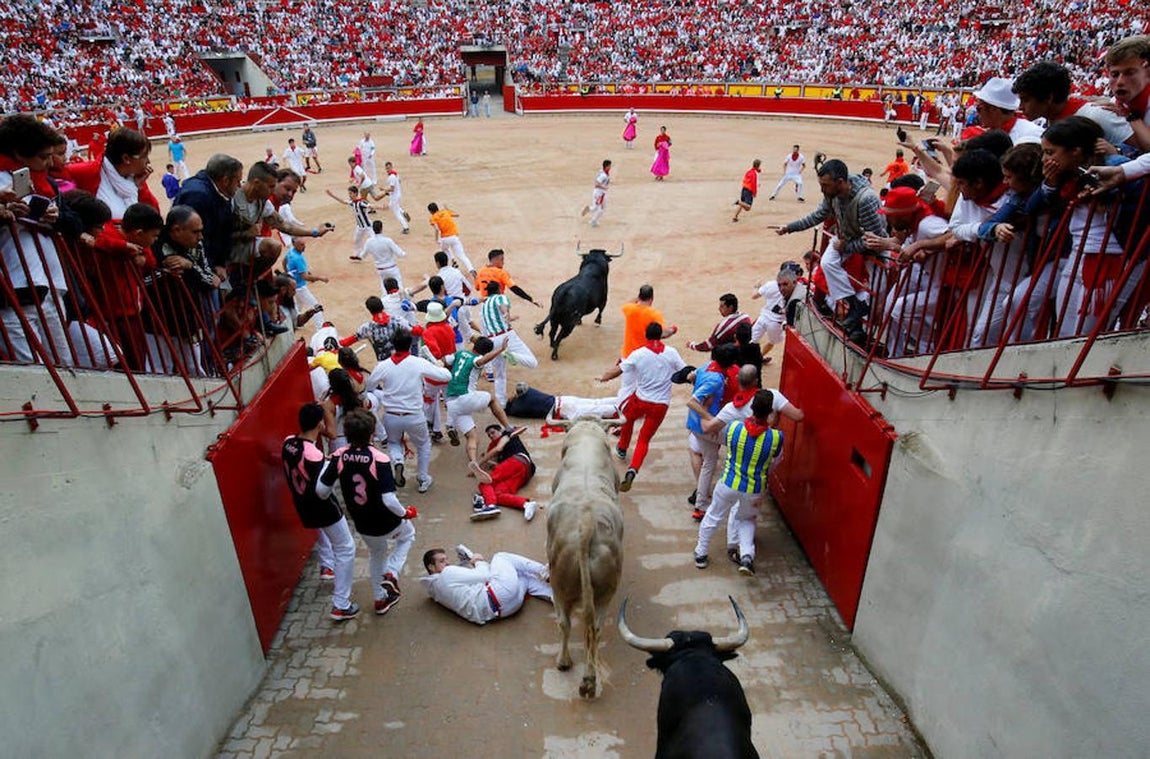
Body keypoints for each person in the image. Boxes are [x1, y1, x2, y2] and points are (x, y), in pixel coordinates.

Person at [317, 408, 418, 616]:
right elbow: (389, 499)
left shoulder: (338, 456)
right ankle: (392, 573)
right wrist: (404, 513)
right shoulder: (379, 459)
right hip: (387, 520)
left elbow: (321, 490)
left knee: (376, 553)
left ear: (347, 433)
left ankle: (381, 599)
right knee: (408, 535)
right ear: (372, 433)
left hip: (362, 522)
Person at [772, 159, 886, 344]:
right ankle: (854, 304)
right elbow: (817, 216)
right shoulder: (833, 194)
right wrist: (789, 227)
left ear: (840, 182)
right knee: (826, 263)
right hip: (846, 239)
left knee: (881, 295)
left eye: (825, 185)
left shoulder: (866, 199)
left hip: (867, 245)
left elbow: (875, 240)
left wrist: (846, 247)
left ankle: (858, 313)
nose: (822, 190)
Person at [281, 402, 359, 621]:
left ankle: (327, 566)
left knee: (324, 534)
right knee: (346, 548)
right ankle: (340, 604)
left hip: (301, 502)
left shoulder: (288, 443)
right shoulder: (315, 456)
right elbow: (322, 491)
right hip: (322, 507)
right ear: (319, 424)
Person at [693, 390, 784, 575]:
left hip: (729, 482)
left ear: (751, 408)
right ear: (770, 413)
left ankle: (701, 553)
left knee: (714, 516)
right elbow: (776, 459)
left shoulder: (734, 428)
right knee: (747, 520)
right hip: (754, 489)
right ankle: (746, 557)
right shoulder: (776, 437)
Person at [598, 321, 687, 493]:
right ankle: (633, 469)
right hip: (661, 404)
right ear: (660, 335)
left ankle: (622, 448)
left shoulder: (638, 354)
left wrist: (604, 377)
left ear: (646, 336)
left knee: (627, 419)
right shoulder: (671, 353)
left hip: (641, 400)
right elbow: (685, 372)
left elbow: (618, 370)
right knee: (644, 439)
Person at [365, 328, 452, 493]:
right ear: (410, 344)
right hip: (414, 415)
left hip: (391, 415)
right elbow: (446, 376)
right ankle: (422, 478)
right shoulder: (418, 362)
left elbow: (369, 385)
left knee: (393, 442)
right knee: (423, 445)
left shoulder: (383, 365)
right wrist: (437, 364)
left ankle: (398, 460)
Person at [1011, 61, 1134, 148]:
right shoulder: (1046, 120)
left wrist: (1117, 152)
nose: (1020, 107)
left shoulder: (1096, 114)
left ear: (1048, 97)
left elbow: (1143, 150)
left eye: (1025, 100)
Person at [420, 545, 552, 625]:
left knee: (523, 576)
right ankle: (545, 571)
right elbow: (486, 575)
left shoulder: (433, 590)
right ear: (431, 567)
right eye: (442, 561)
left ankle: (554, 596)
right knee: (501, 557)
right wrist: (478, 560)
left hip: (504, 611)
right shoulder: (447, 573)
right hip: (500, 595)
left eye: (447, 559)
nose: (448, 563)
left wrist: (467, 564)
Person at [445, 334, 516, 465]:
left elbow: (445, 361)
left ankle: (473, 462)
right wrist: (501, 350)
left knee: (472, 436)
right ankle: (508, 427)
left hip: (451, 403)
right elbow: (481, 361)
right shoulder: (476, 359)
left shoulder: (459, 353)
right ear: (485, 352)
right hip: (465, 397)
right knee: (492, 398)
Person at [174, 153, 244, 278]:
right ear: (226, 180)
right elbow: (197, 238)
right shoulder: (198, 196)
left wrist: (220, 263)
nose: (239, 186)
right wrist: (212, 267)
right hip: (193, 268)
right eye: (237, 181)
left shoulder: (216, 191)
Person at [478, 279, 540, 406]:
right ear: (499, 290)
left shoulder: (484, 306)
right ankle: (508, 354)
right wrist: (507, 313)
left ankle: (501, 403)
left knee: (500, 374)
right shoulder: (500, 297)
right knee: (532, 362)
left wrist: (510, 317)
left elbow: (490, 323)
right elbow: (503, 308)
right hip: (506, 336)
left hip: (492, 340)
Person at [470, 424, 540, 521]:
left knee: (485, 483)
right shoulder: (502, 452)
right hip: (525, 472)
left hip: (517, 461)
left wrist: (478, 464)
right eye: (489, 436)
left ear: (500, 431)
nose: (491, 436)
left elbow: (498, 449)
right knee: (496, 494)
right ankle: (526, 504)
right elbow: (498, 463)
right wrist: (488, 461)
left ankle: (491, 506)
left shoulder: (506, 435)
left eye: (493, 432)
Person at [1102, 35, 1150, 152]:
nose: (1120, 82)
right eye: (1115, 74)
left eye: (1130, 73)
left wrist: (1131, 116)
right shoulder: (1112, 107)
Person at [970, 77, 1043, 145]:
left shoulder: (1031, 135)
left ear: (994, 110)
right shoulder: (983, 133)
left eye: (979, 109)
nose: (977, 114)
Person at [620, 284, 676, 358]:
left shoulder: (628, 308)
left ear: (639, 297)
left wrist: (638, 298)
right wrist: (673, 329)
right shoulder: (654, 314)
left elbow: (629, 303)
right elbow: (663, 334)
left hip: (628, 354)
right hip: (644, 356)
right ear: (652, 298)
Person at [283, 238, 328, 331]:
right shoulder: (298, 258)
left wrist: (288, 274)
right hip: (300, 287)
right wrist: (320, 278)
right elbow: (305, 277)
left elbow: (284, 262)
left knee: (298, 304)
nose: (304, 247)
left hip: (293, 286)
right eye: (301, 245)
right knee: (315, 306)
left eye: (304, 244)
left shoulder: (291, 252)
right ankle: (321, 329)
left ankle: (296, 323)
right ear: (295, 244)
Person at [340, 295, 403, 361]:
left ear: (370, 310)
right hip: (402, 360)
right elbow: (414, 330)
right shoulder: (397, 320)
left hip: (383, 364)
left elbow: (346, 342)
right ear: (382, 306)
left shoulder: (367, 328)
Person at [686, 293, 752, 353]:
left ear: (730, 307)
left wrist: (692, 345)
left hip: (731, 358)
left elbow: (709, 345)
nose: (719, 309)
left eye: (722, 306)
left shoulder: (725, 326)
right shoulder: (746, 317)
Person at [474, 248, 540, 307]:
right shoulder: (501, 272)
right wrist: (530, 299)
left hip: (485, 306)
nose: (503, 262)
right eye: (502, 260)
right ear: (495, 260)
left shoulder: (480, 271)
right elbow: (514, 288)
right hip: (498, 305)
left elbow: (477, 287)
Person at [427, 202, 476, 276]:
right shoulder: (445, 212)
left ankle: (452, 260)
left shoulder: (433, 218)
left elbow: (437, 229)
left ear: (430, 211)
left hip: (445, 238)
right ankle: (471, 269)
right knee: (462, 255)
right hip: (454, 237)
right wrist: (447, 209)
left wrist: (436, 239)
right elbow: (457, 214)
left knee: (444, 249)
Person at [327, 185, 374, 261]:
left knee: (374, 240)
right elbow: (342, 201)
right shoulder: (352, 202)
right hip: (360, 226)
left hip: (368, 226)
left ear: (355, 193)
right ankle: (357, 254)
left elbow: (371, 206)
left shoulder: (361, 202)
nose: (349, 195)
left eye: (350, 193)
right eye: (349, 193)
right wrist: (332, 195)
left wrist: (381, 208)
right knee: (356, 240)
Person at [382, 161, 411, 234]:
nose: (387, 170)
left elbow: (392, 188)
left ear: (391, 167)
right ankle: (403, 212)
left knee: (397, 213)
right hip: (397, 194)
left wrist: (384, 189)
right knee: (394, 207)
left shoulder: (391, 177)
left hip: (394, 196)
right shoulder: (395, 174)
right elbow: (399, 181)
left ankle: (406, 227)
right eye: (386, 168)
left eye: (388, 168)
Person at [581, 159, 612, 227]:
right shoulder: (603, 175)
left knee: (599, 208)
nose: (610, 167)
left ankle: (590, 211)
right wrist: (604, 187)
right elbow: (596, 184)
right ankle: (593, 221)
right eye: (609, 166)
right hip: (599, 194)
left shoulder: (602, 172)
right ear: (606, 166)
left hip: (601, 193)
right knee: (600, 209)